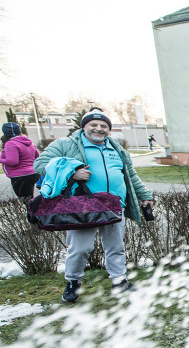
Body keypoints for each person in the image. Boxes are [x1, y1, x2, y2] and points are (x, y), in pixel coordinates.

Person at [34, 109, 154, 302]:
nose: (99, 129)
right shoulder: (66, 144)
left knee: (115, 247)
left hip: (114, 206)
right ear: (84, 127)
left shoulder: (117, 149)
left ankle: (119, 281)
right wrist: (71, 172)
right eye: (94, 125)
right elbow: (40, 164)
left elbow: (130, 176)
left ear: (109, 129)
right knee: (80, 248)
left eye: (104, 126)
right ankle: (73, 282)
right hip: (82, 207)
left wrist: (145, 196)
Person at [1, 122, 40, 200]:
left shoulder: (11, 144)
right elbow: (37, 157)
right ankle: (36, 211)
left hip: (20, 176)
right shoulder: (29, 142)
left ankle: (34, 212)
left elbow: (13, 161)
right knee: (30, 199)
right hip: (33, 173)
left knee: (26, 201)